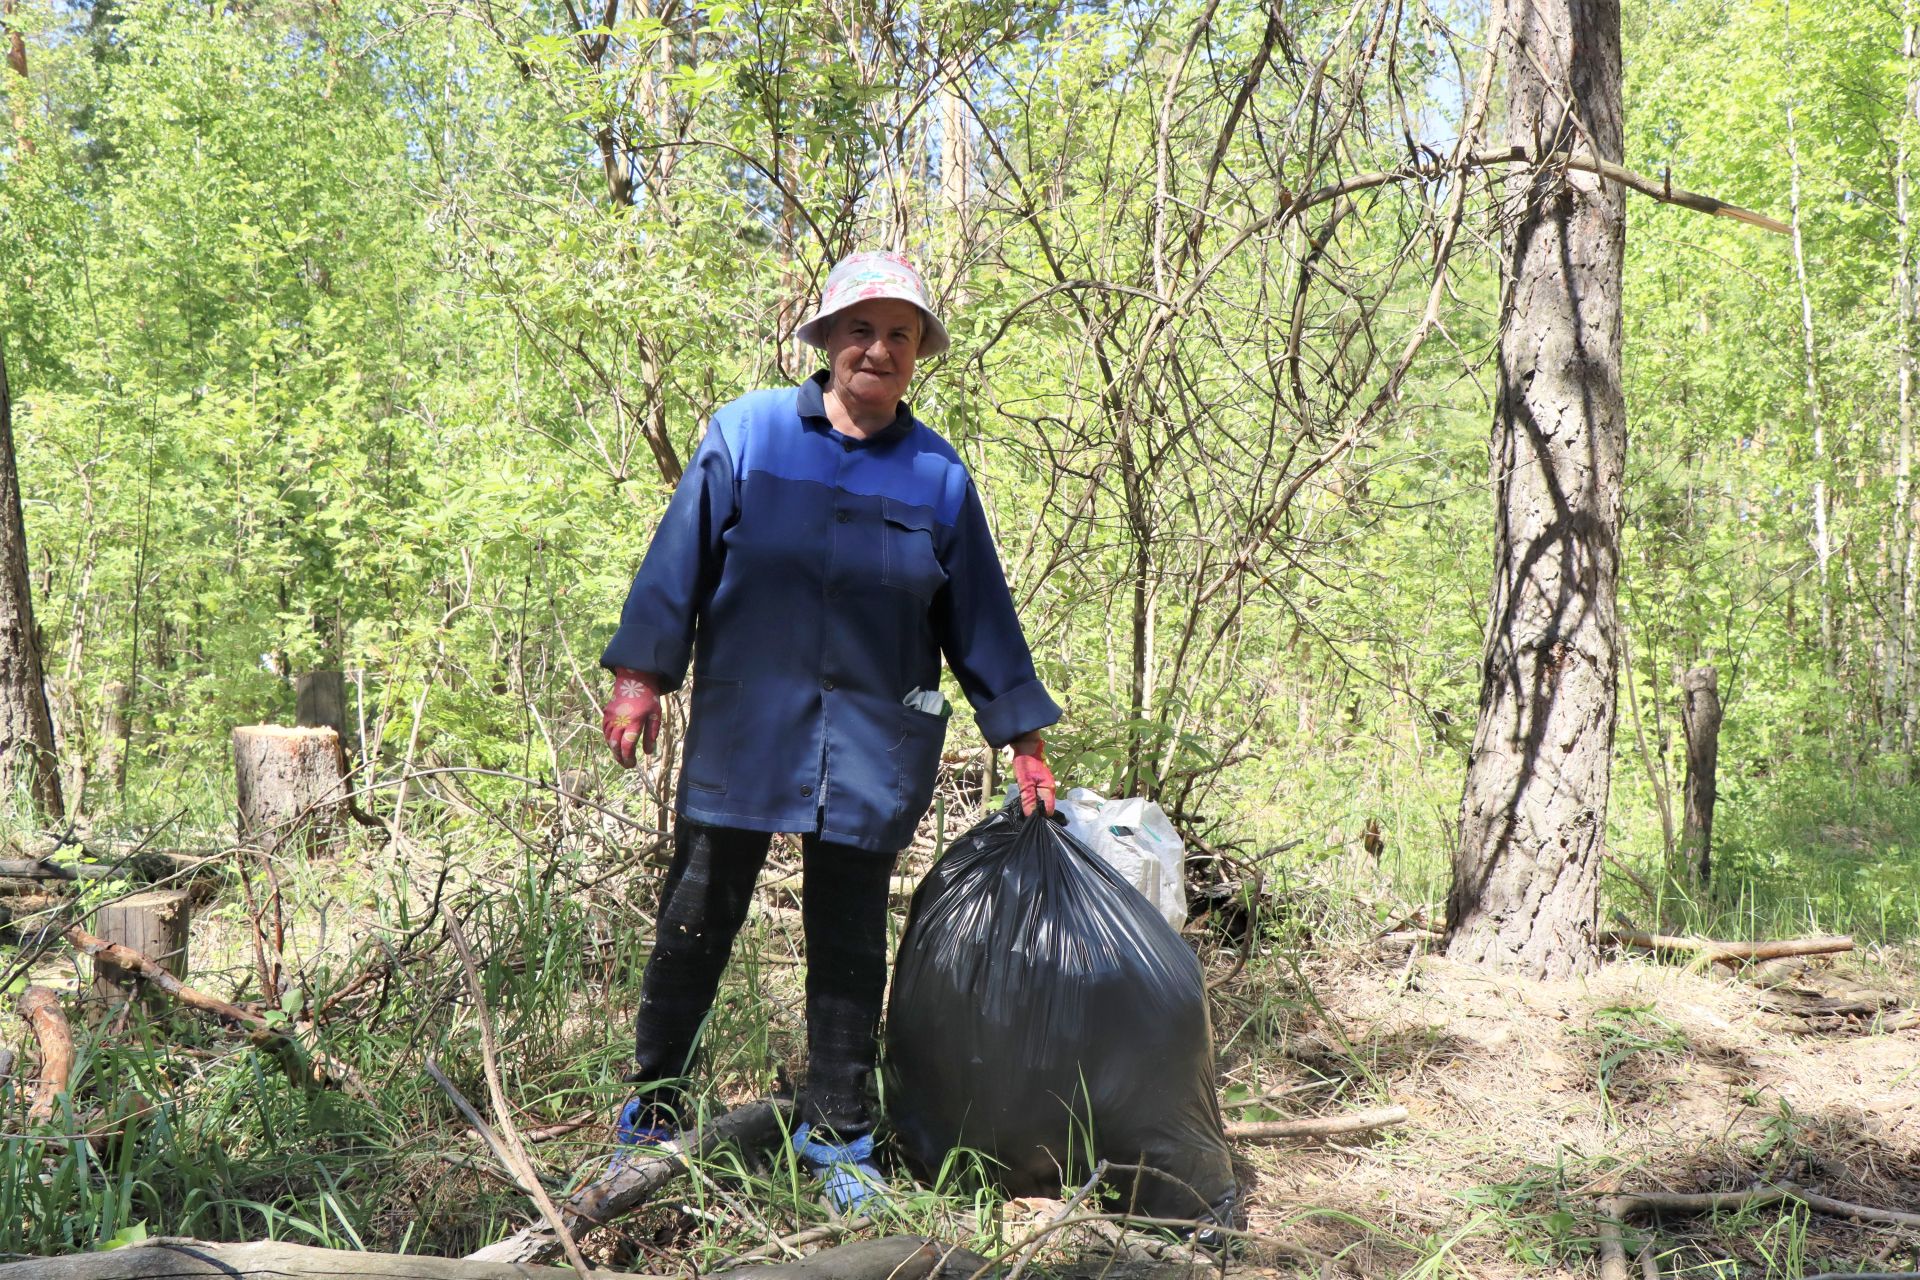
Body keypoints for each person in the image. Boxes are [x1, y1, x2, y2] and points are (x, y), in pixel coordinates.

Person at [597, 251, 1060, 1211]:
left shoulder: (938, 475)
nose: (878, 349)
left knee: (849, 935)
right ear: (826, 341)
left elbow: (979, 616)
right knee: (698, 913)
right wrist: (641, 678)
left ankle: (838, 1132)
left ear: (917, 353)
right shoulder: (750, 435)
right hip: (748, 725)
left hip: (871, 739)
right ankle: (653, 1110)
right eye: (861, 329)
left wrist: (1023, 738)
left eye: (899, 334)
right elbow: (674, 565)